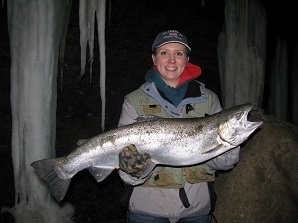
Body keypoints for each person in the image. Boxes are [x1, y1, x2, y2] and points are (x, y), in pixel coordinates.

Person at [117, 30, 240, 223]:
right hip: (146, 211)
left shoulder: (209, 99)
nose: (172, 60)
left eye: (179, 53)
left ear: (187, 59)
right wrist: (134, 164)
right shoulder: (133, 101)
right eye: (164, 53)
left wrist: (227, 142)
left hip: (196, 210)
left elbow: (226, 163)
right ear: (154, 58)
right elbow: (128, 176)